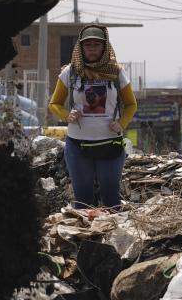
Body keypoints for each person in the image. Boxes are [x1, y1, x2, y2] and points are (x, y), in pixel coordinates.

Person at [49, 24, 137, 209]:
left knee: (111, 200)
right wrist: (67, 115)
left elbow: (131, 104)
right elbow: (54, 104)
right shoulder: (70, 72)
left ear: (104, 47)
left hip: (110, 145)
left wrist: (122, 123)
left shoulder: (116, 72)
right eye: (88, 45)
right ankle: (83, 237)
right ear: (81, 47)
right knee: (82, 201)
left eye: (97, 45)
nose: (92, 49)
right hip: (78, 146)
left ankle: (113, 237)